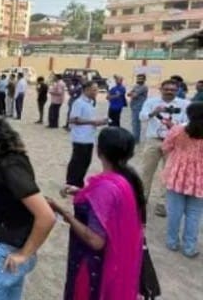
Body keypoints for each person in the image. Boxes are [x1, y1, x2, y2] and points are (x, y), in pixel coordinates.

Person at [48, 127, 145, 300]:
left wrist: (63, 212)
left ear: (98, 150)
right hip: (115, 263)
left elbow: (96, 241)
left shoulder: (105, 187)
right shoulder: (125, 180)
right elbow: (110, 207)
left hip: (94, 265)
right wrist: (80, 192)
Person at [0, 115, 56, 299]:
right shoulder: (10, 158)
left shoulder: (10, 166)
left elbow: (46, 216)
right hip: (8, 248)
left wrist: (24, 254)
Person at [139, 79, 190, 217]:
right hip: (153, 140)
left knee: (168, 173)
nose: (169, 92)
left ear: (177, 90)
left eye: (173, 89)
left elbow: (189, 123)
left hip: (173, 142)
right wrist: (153, 113)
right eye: (166, 89)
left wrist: (175, 126)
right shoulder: (151, 102)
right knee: (146, 171)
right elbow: (142, 117)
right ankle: (142, 200)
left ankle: (162, 203)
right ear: (161, 89)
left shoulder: (184, 104)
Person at [162, 102, 203, 258]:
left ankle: (172, 242)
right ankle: (189, 247)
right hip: (200, 178)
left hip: (177, 174)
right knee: (194, 213)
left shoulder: (178, 130)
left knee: (175, 211)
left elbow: (165, 147)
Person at [64, 81, 109, 190]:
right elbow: (73, 119)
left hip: (89, 137)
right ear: (86, 90)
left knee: (85, 161)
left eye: (96, 89)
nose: (96, 92)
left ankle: (78, 182)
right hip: (80, 137)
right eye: (94, 89)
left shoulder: (90, 102)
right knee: (78, 161)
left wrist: (100, 121)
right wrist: (93, 122)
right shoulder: (79, 102)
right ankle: (71, 182)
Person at [128, 74, 149, 143]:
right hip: (134, 106)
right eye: (138, 78)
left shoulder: (144, 87)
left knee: (136, 123)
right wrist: (132, 93)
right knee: (134, 123)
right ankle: (135, 137)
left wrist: (132, 94)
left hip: (139, 107)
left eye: (141, 78)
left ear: (144, 80)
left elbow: (134, 95)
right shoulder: (136, 86)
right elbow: (129, 94)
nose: (139, 80)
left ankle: (136, 139)